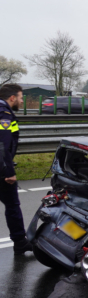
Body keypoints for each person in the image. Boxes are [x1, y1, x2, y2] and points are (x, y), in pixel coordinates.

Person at [0, 84, 32, 254]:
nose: (21, 101)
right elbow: (3, 144)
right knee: (12, 205)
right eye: (20, 97)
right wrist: (9, 171)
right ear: (12, 98)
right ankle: (20, 241)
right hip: (2, 170)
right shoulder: (3, 113)